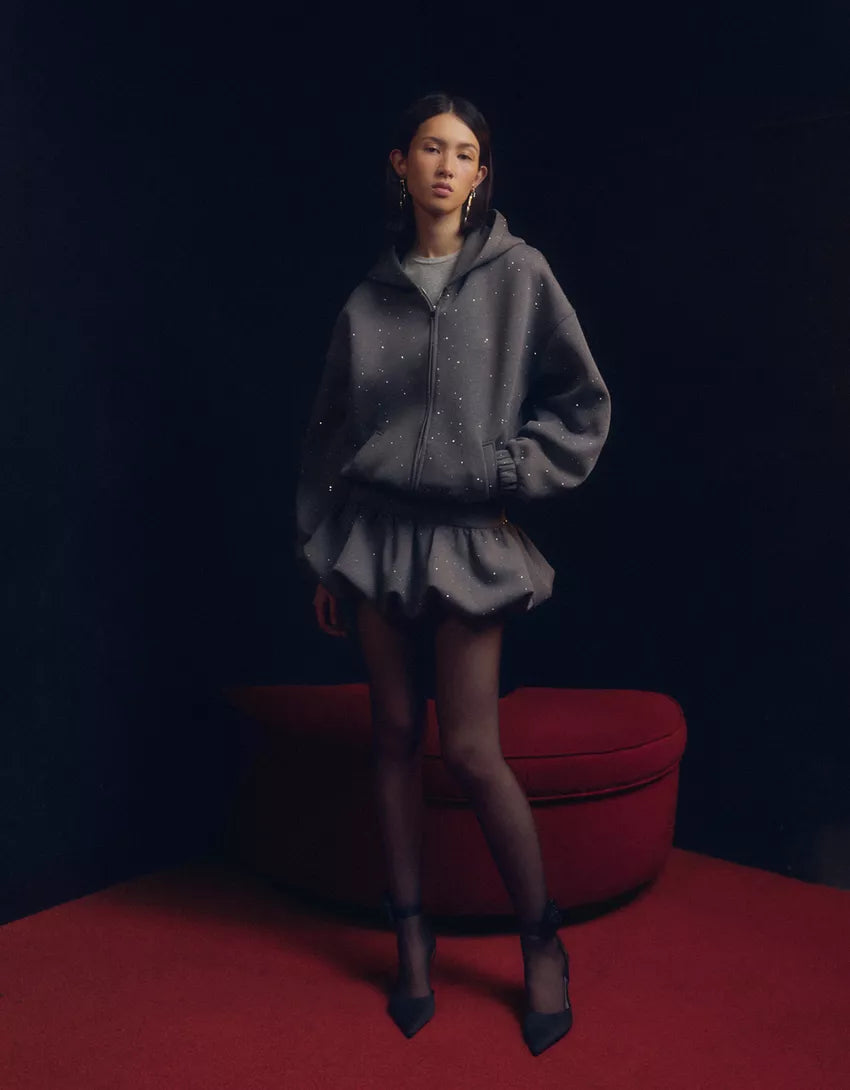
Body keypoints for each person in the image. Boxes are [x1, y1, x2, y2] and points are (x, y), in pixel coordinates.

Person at [294, 91, 611, 1055]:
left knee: (471, 751)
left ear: (480, 175)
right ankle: (411, 940)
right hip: (375, 538)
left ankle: (541, 941)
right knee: (393, 735)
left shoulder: (521, 275)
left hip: (470, 538)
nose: (446, 165)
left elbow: (583, 401)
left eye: (464, 152)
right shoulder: (366, 300)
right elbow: (329, 436)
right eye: (430, 147)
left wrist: (513, 469)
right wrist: (323, 551)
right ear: (400, 164)